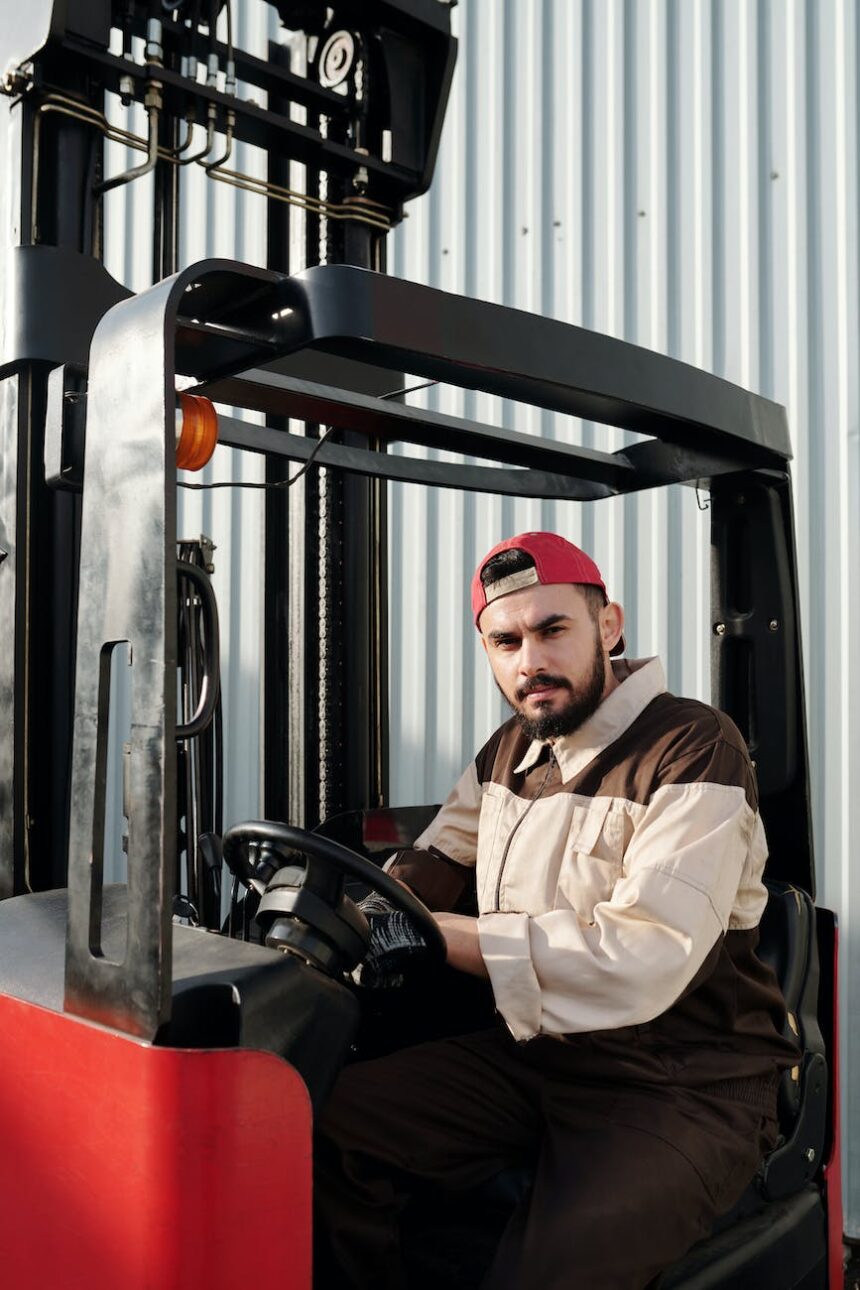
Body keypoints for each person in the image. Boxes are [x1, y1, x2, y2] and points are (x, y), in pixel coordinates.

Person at [314, 531, 798, 1290]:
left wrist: (439, 935)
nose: (528, 662)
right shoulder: (511, 750)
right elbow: (441, 857)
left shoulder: (694, 749)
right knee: (315, 1127)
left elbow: (643, 955)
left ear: (608, 627)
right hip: (537, 1054)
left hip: (681, 1080)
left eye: (551, 631)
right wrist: (353, 913)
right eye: (505, 641)